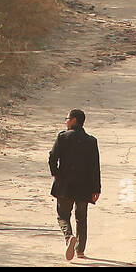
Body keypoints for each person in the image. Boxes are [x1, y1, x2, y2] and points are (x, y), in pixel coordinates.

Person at [48, 108, 101, 260]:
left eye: (67, 118)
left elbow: (52, 158)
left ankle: (69, 237)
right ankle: (80, 250)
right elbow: (95, 166)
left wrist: (56, 174)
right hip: (85, 186)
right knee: (81, 218)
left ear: (74, 120)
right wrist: (96, 188)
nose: (65, 121)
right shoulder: (91, 141)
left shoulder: (63, 137)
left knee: (63, 215)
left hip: (65, 184)